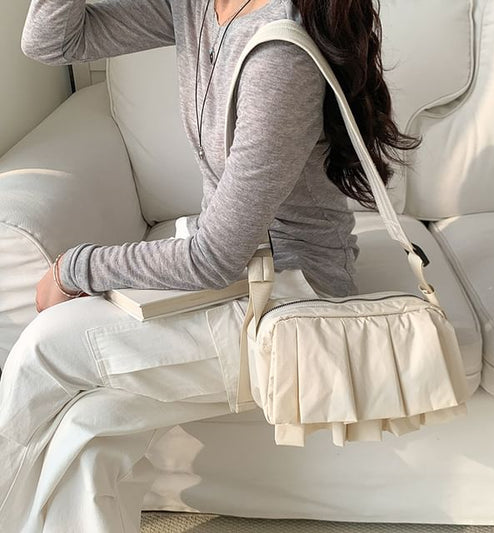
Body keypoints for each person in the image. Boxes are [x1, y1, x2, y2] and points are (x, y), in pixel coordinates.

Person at [0, 0, 420, 531]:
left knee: (44, 349)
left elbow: (213, 258)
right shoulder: (197, 6)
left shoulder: (278, 54)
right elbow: (50, 42)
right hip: (242, 273)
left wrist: (74, 268)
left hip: (293, 294)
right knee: (89, 429)